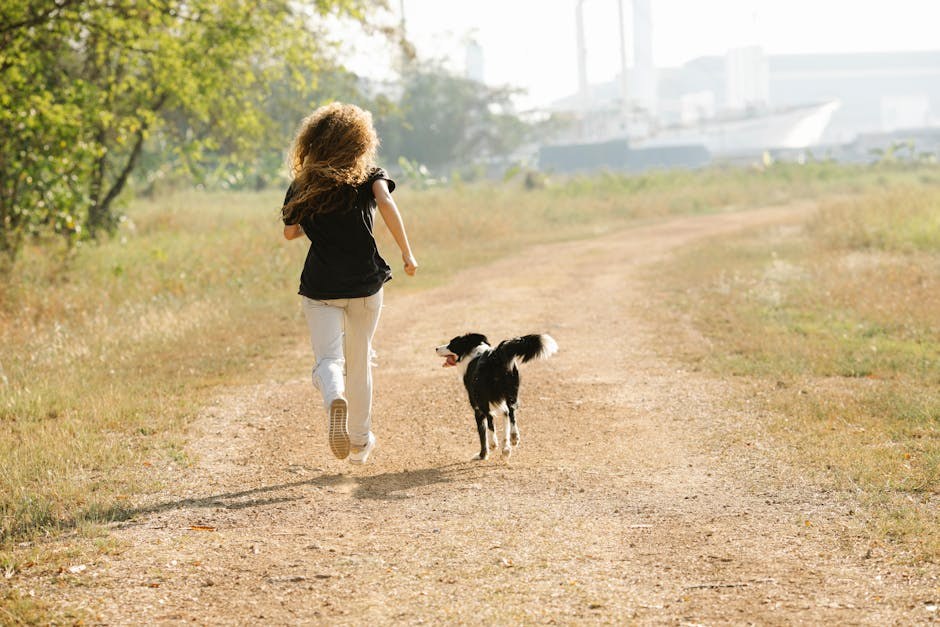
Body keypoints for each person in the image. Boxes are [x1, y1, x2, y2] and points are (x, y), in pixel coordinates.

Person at [281, 102, 417, 465]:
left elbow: (290, 231)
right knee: (360, 361)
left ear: (313, 141)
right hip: (365, 285)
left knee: (328, 359)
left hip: (321, 286)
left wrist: (314, 219)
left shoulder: (303, 183)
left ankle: (333, 396)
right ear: (360, 140)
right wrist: (407, 253)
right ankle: (359, 440)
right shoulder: (369, 176)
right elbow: (386, 203)